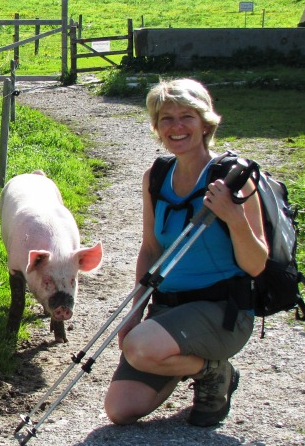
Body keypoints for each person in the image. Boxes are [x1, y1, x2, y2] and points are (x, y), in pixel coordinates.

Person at [104, 78, 268, 427]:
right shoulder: (156, 176)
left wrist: (234, 217)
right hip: (168, 310)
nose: (176, 126)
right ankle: (205, 366)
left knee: (140, 346)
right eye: (166, 118)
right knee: (121, 409)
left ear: (205, 123)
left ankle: (210, 370)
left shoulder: (232, 180)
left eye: (186, 117)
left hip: (222, 311)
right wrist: (135, 312)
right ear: (157, 127)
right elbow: (151, 249)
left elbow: (257, 265)